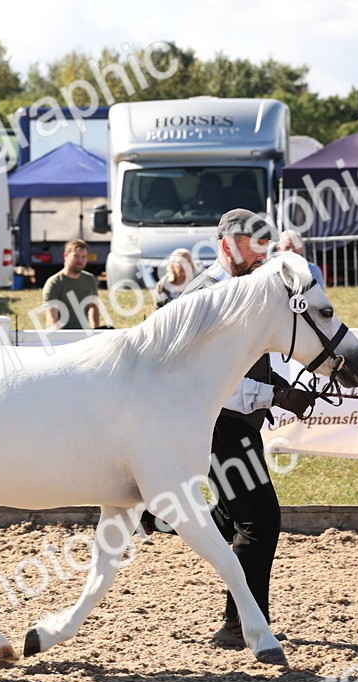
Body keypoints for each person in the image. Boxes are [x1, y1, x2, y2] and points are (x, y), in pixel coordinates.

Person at [147, 209, 316, 649]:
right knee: (260, 519)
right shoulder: (209, 295)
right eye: (252, 242)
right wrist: (275, 397)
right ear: (226, 244)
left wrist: (278, 387)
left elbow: (244, 362)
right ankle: (238, 624)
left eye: (266, 241)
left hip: (232, 422)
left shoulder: (242, 290)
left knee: (235, 516)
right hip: (218, 424)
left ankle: (169, 516)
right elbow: (210, 382)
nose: (262, 251)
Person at [41, 239, 104, 330]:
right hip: (62, 337)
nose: (80, 260)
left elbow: (94, 307)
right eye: (76, 256)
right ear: (65, 256)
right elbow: (51, 318)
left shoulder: (90, 280)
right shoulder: (54, 283)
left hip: (84, 336)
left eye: (84, 256)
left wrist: (95, 332)